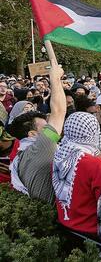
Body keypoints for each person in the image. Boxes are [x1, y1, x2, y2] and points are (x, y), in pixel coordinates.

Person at [8, 64, 66, 203]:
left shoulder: (24, 153)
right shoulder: (40, 148)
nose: (49, 130)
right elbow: (58, 111)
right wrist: (55, 79)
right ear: (33, 134)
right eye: (45, 128)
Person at [53, 112, 101, 236]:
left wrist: (98, 159)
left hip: (65, 224)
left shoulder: (60, 154)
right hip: (89, 230)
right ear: (93, 132)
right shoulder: (95, 164)